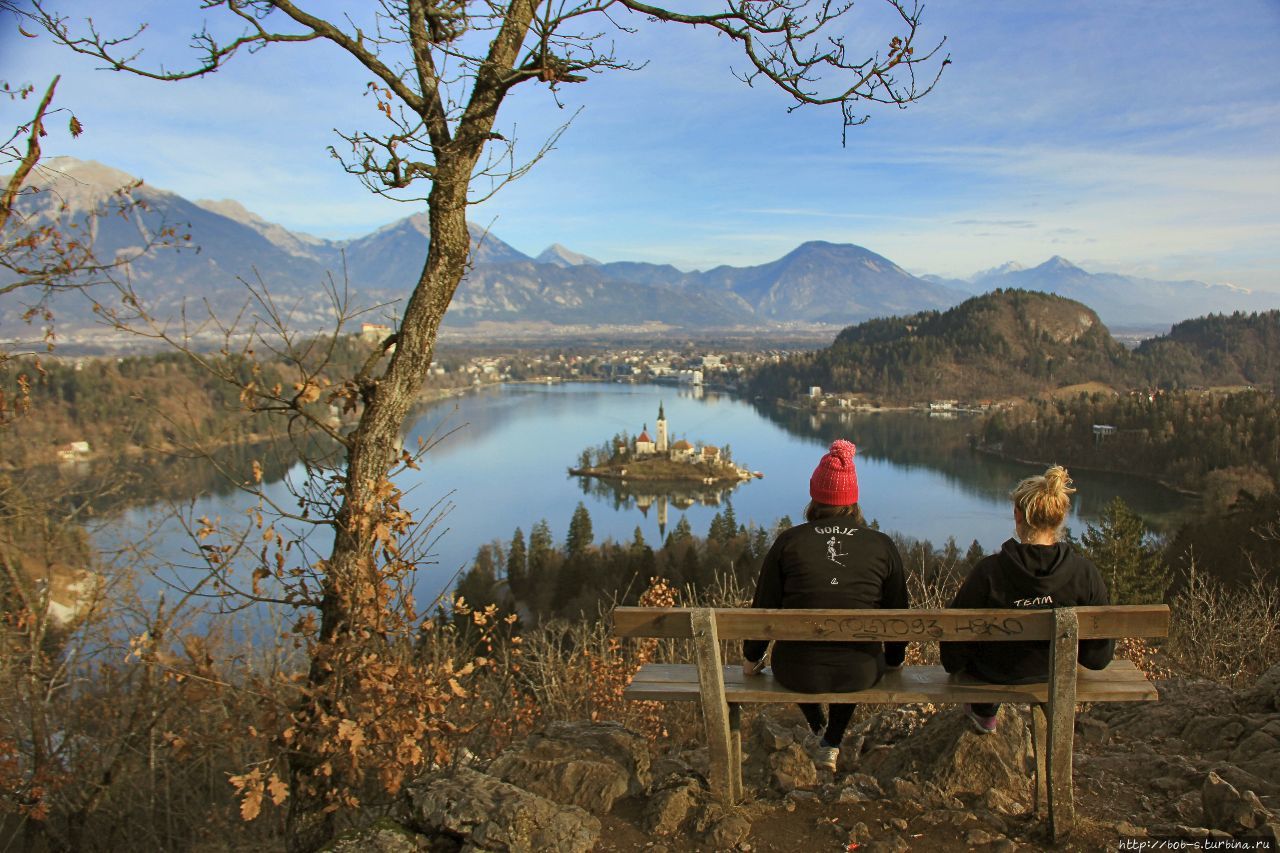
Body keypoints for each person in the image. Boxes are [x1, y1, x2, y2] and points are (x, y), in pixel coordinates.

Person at [742, 439, 908, 771]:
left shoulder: (788, 542)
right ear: (853, 500)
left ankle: (822, 731)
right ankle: (830, 741)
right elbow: (898, 615)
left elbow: (764, 612)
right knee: (852, 660)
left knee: (809, 658)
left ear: (815, 496)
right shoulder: (881, 545)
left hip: (795, 669)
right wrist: (893, 660)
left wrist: (752, 658)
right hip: (862, 671)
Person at [941, 465, 1113, 734]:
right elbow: (1099, 657)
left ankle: (984, 710)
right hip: (1056, 673)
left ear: (1017, 515)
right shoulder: (1084, 573)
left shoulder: (989, 572)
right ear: (1060, 518)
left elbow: (953, 651)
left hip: (995, 674)